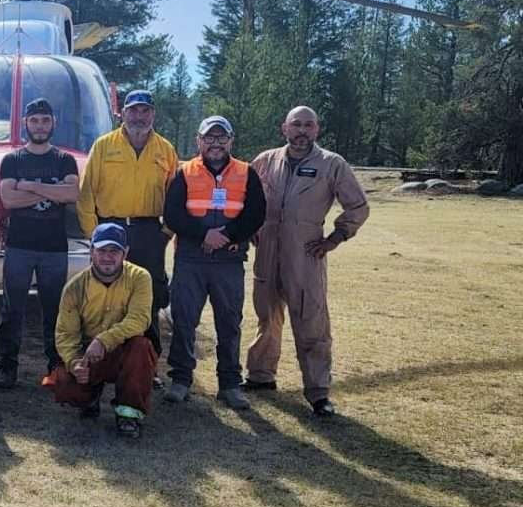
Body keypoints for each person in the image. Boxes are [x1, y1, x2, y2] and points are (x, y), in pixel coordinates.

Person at [244, 106, 370, 418]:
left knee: (311, 321)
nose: (302, 131)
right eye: (296, 124)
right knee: (266, 317)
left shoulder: (331, 164)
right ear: (283, 128)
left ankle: (318, 392)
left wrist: (335, 237)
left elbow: (358, 205)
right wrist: (249, 228)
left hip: (306, 253)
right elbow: (245, 197)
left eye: (308, 125)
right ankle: (261, 376)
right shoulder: (265, 161)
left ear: (317, 130)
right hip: (267, 251)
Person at [162, 116, 266, 409]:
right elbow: (173, 214)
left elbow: (256, 213)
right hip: (190, 259)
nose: (215, 143)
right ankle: (181, 380)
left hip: (229, 260)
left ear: (231, 141)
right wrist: (204, 234)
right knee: (183, 320)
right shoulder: (185, 173)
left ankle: (230, 384)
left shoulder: (247, 172)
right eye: (209, 137)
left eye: (222, 138)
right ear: (199, 141)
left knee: (229, 323)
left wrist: (227, 235)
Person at [75, 89, 178, 371]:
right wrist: (93, 235)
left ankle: (147, 366)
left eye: (145, 110)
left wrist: (166, 234)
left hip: (148, 232)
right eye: (133, 110)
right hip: (110, 228)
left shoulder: (165, 150)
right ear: (123, 113)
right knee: (102, 295)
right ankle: (95, 360)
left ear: (153, 114)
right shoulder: (104, 145)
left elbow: (174, 196)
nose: (139, 116)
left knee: (150, 297)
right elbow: (86, 195)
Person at [0, 97, 80, 390]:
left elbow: (72, 194)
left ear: (53, 123)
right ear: (24, 124)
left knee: (54, 310)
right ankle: (7, 367)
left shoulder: (64, 160)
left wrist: (29, 186)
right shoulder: (12, 160)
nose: (40, 126)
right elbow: (8, 199)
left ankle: (55, 367)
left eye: (45, 120)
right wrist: (51, 192)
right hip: (19, 246)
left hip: (54, 247)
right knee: (11, 308)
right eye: (34, 120)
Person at [48, 223, 157, 439]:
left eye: (114, 251)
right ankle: (90, 397)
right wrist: (75, 362)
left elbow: (139, 320)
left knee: (141, 347)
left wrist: (105, 340)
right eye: (102, 251)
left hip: (124, 351)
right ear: (91, 252)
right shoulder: (74, 287)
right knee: (63, 384)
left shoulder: (140, 278)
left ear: (125, 252)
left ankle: (129, 414)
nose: (107, 257)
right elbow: (65, 334)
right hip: (89, 354)